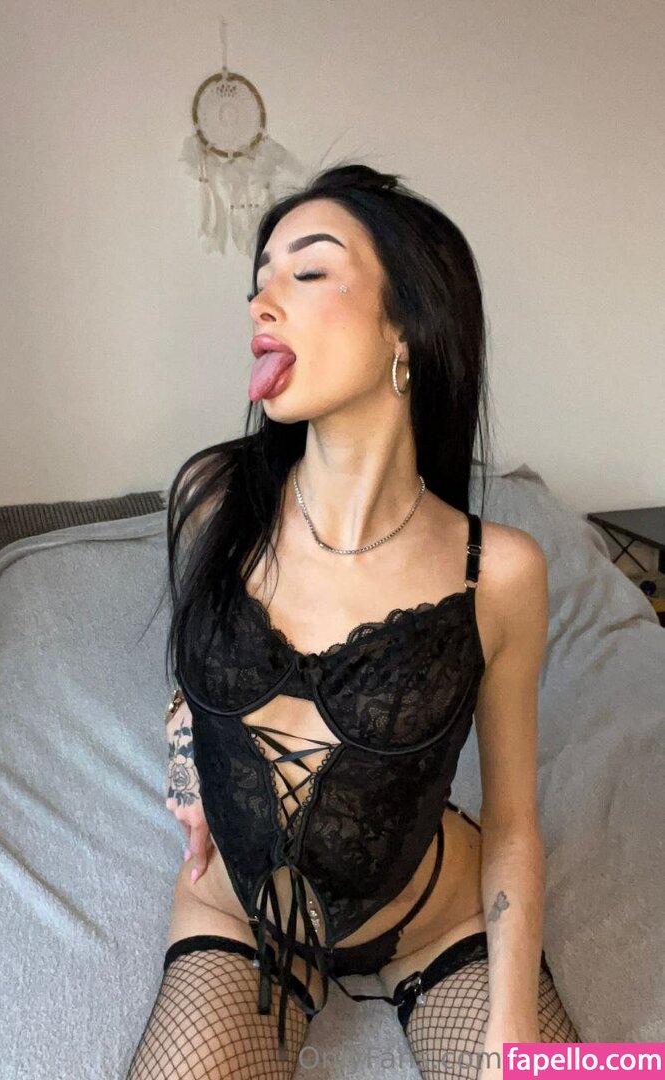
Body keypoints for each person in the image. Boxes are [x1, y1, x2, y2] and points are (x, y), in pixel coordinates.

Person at [126, 163, 581, 1079]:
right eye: (259, 278)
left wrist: (512, 1035)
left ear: (405, 324)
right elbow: (192, 668)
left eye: (308, 270)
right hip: (237, 911)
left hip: (433, 914)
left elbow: (513, 823)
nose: (261, 300)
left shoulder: (499, 572)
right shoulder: (214, 500)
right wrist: (185, 760)